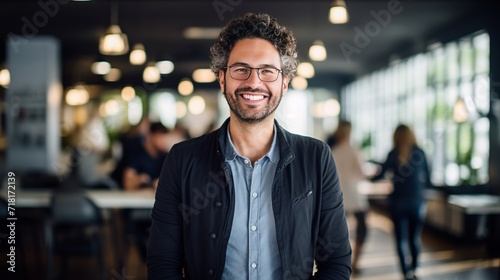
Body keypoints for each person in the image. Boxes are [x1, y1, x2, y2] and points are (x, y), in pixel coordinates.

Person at [147, 12, 352, 280]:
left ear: (285, 83)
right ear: (222, 79)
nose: (254, 82)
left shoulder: (316, 158)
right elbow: (162, 264)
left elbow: (336, 263)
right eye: (241, 69)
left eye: (267, 71)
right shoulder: (183, 159)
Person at [371, 124, 431, 280]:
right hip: (417, 202)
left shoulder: (393, 154)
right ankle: (416, 269)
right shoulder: (420, 153)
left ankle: (406, 273)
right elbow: (429, 179)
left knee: (400, 239)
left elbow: (380, 175)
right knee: (414, 238)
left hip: (397, 202)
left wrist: (364, 176)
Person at [331, 120, 369, 274]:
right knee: (362, 230)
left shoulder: (333, 151)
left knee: (339, 232)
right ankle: (356, 262)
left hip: (338, 196)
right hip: (355, 195)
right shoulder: (355, 150)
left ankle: (342, 263)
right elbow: (362, 172)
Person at [122, 121, 170, 191]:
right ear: (150, 136)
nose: (164, 141)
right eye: (160, 137)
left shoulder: (166, 156)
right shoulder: (136, 153)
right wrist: (140, 180)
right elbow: (127, 183)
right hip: (137, 198)